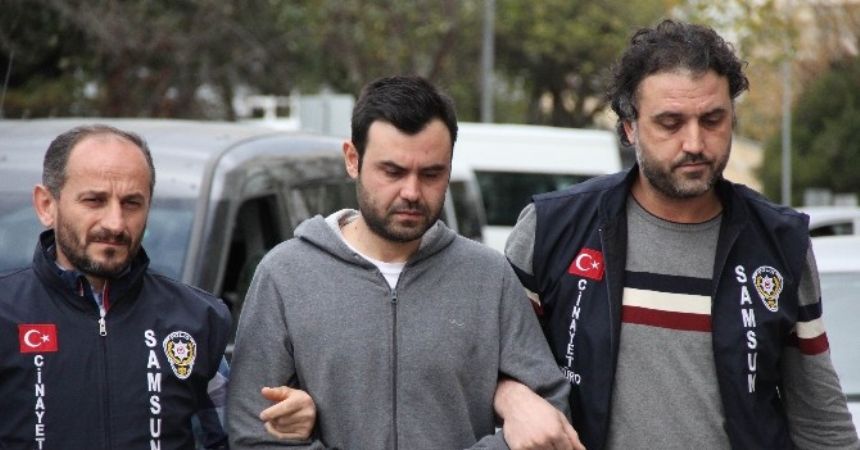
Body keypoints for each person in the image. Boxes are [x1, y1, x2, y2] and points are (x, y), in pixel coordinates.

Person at [498, 19, 860, 449]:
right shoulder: (552, 230)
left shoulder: (781, 244)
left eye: (712, 119)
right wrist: (513, 396)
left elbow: (821, 421)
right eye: (670, 122)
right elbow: (485, 362)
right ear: (629, 127)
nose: (695, 143)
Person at [226, 75, 575, 449]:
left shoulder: (490, 278)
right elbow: (250, 433)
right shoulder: (284, 276)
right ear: (352, 159)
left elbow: (550, 418)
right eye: (392, 172)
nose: (411, 192)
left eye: (431, 174)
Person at [0, 125, 232, 449]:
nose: (115, 223)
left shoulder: (197, 320)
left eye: (132, 203)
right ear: (46, 205)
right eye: (94, 200)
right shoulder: (6, 313)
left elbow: (234, 438)